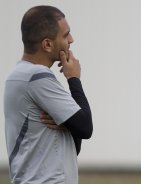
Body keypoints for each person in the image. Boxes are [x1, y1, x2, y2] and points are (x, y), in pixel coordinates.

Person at [4, 5, 93, 184]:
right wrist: (74, 78)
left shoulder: (17, 76)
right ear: (47, 44)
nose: (71, 40)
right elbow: (85, 127)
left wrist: (68, 124)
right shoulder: (37, 78)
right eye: (66, 34)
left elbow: (74, 146)